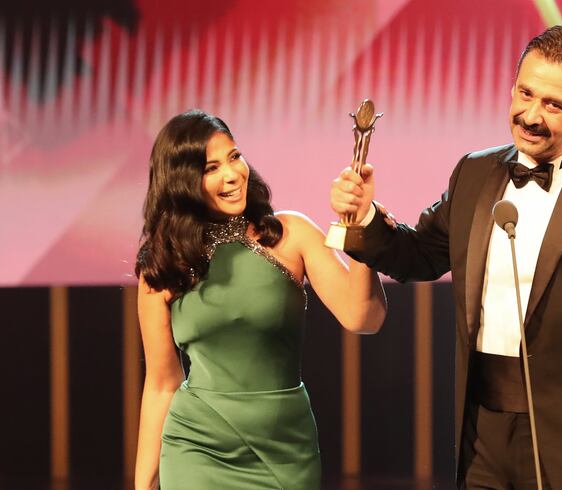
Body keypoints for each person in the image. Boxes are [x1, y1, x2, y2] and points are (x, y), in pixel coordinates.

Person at [330, 25, 562, 489]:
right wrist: (365, 217)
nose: (530, 115)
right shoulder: (474, 171)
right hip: (485, 436)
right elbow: (421, 256)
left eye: (553, 105)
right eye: (524, 93)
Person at [134, 109, 387, 490]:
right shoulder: (165, 264)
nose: (233, 175)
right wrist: (143, 484)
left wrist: (360, 227)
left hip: (285, 447)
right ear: (182, 182)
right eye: (211, 167)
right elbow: (161, 384)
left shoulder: (290, 234)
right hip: (197, 448)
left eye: (234, 157)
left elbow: (363, 318)